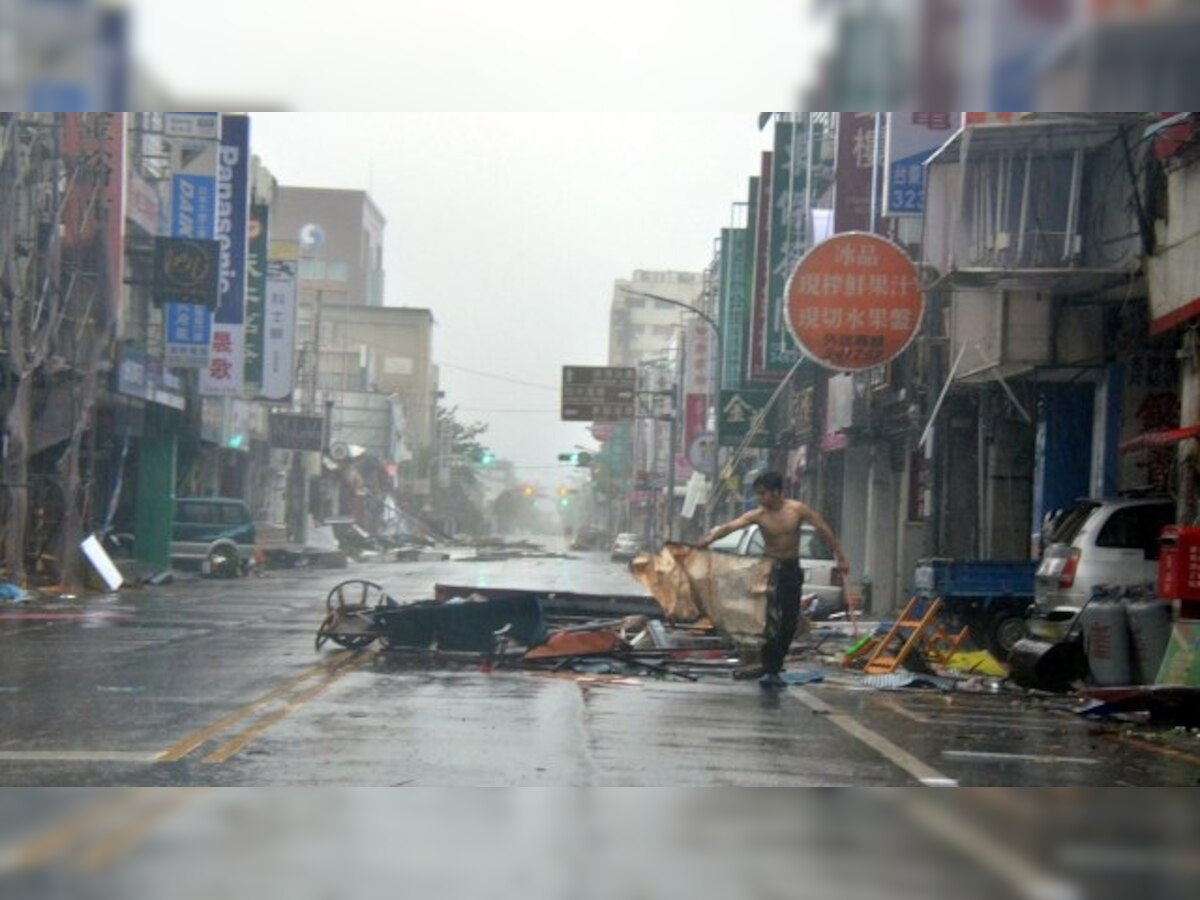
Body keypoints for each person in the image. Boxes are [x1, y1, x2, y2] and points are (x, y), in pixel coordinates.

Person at [696, 471, 849, 687]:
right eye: (758, 494)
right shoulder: (759, 515)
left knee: (789, 620)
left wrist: (840, 558)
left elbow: (823, 529)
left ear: (776, 492)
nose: (760, 498)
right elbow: (731, 526)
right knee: (769, 621)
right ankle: (770, 669)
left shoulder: (797, 510)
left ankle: (776, 664)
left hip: (791, 569)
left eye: (763, 493)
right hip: (770, 570)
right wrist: (709, 539)